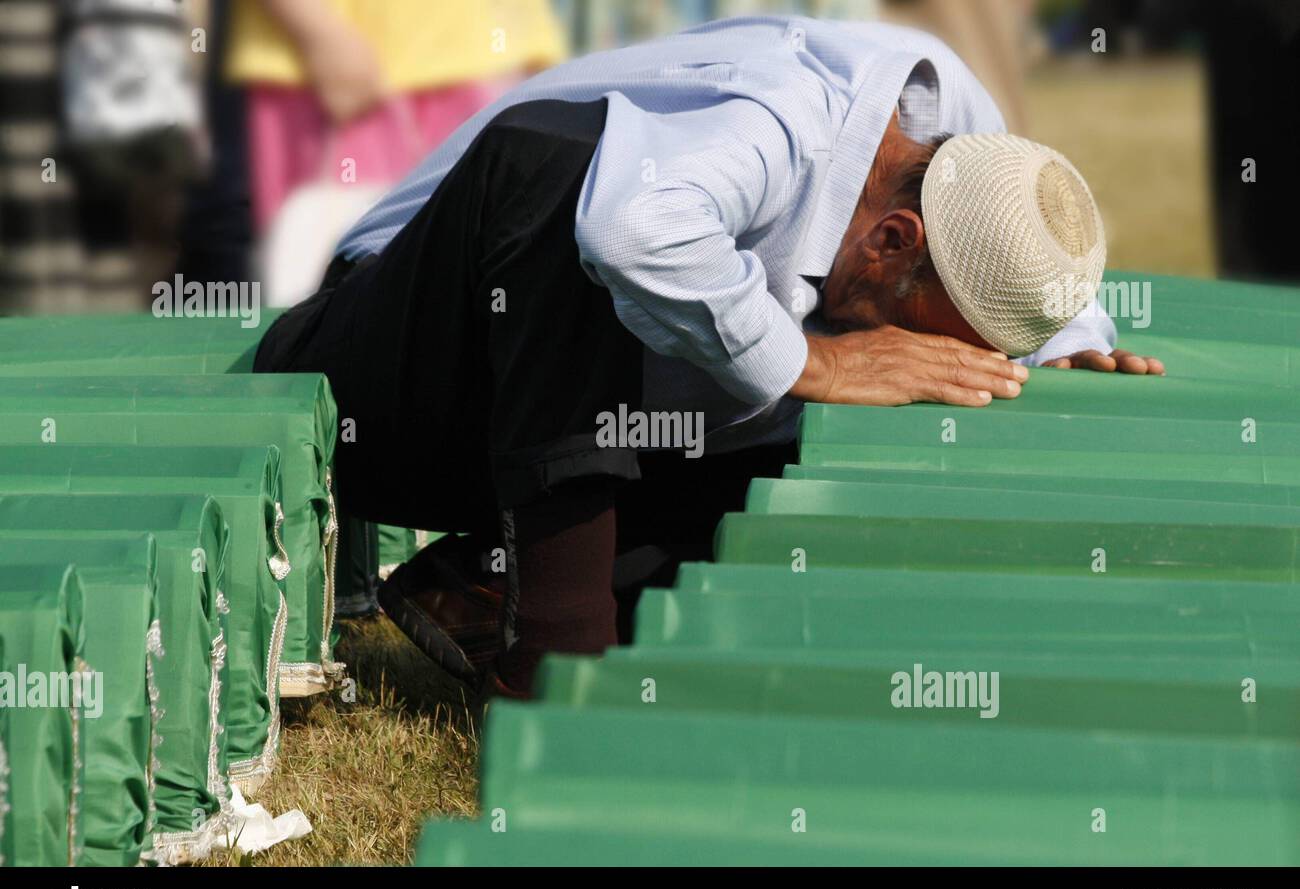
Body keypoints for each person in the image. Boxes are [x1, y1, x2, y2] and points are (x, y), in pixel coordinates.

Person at [253, 17, 1163, 697]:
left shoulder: (953, 127)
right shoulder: (784, 121)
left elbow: (1011, 237)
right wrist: (823, 367)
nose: (912, 349)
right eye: (926, 319)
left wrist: (1068, 347)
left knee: (909, 385)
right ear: (893, 237)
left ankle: (483, 582)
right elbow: (625, 228)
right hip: (395, 365)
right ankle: (556, 663)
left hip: (561, 414)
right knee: (571, 182)